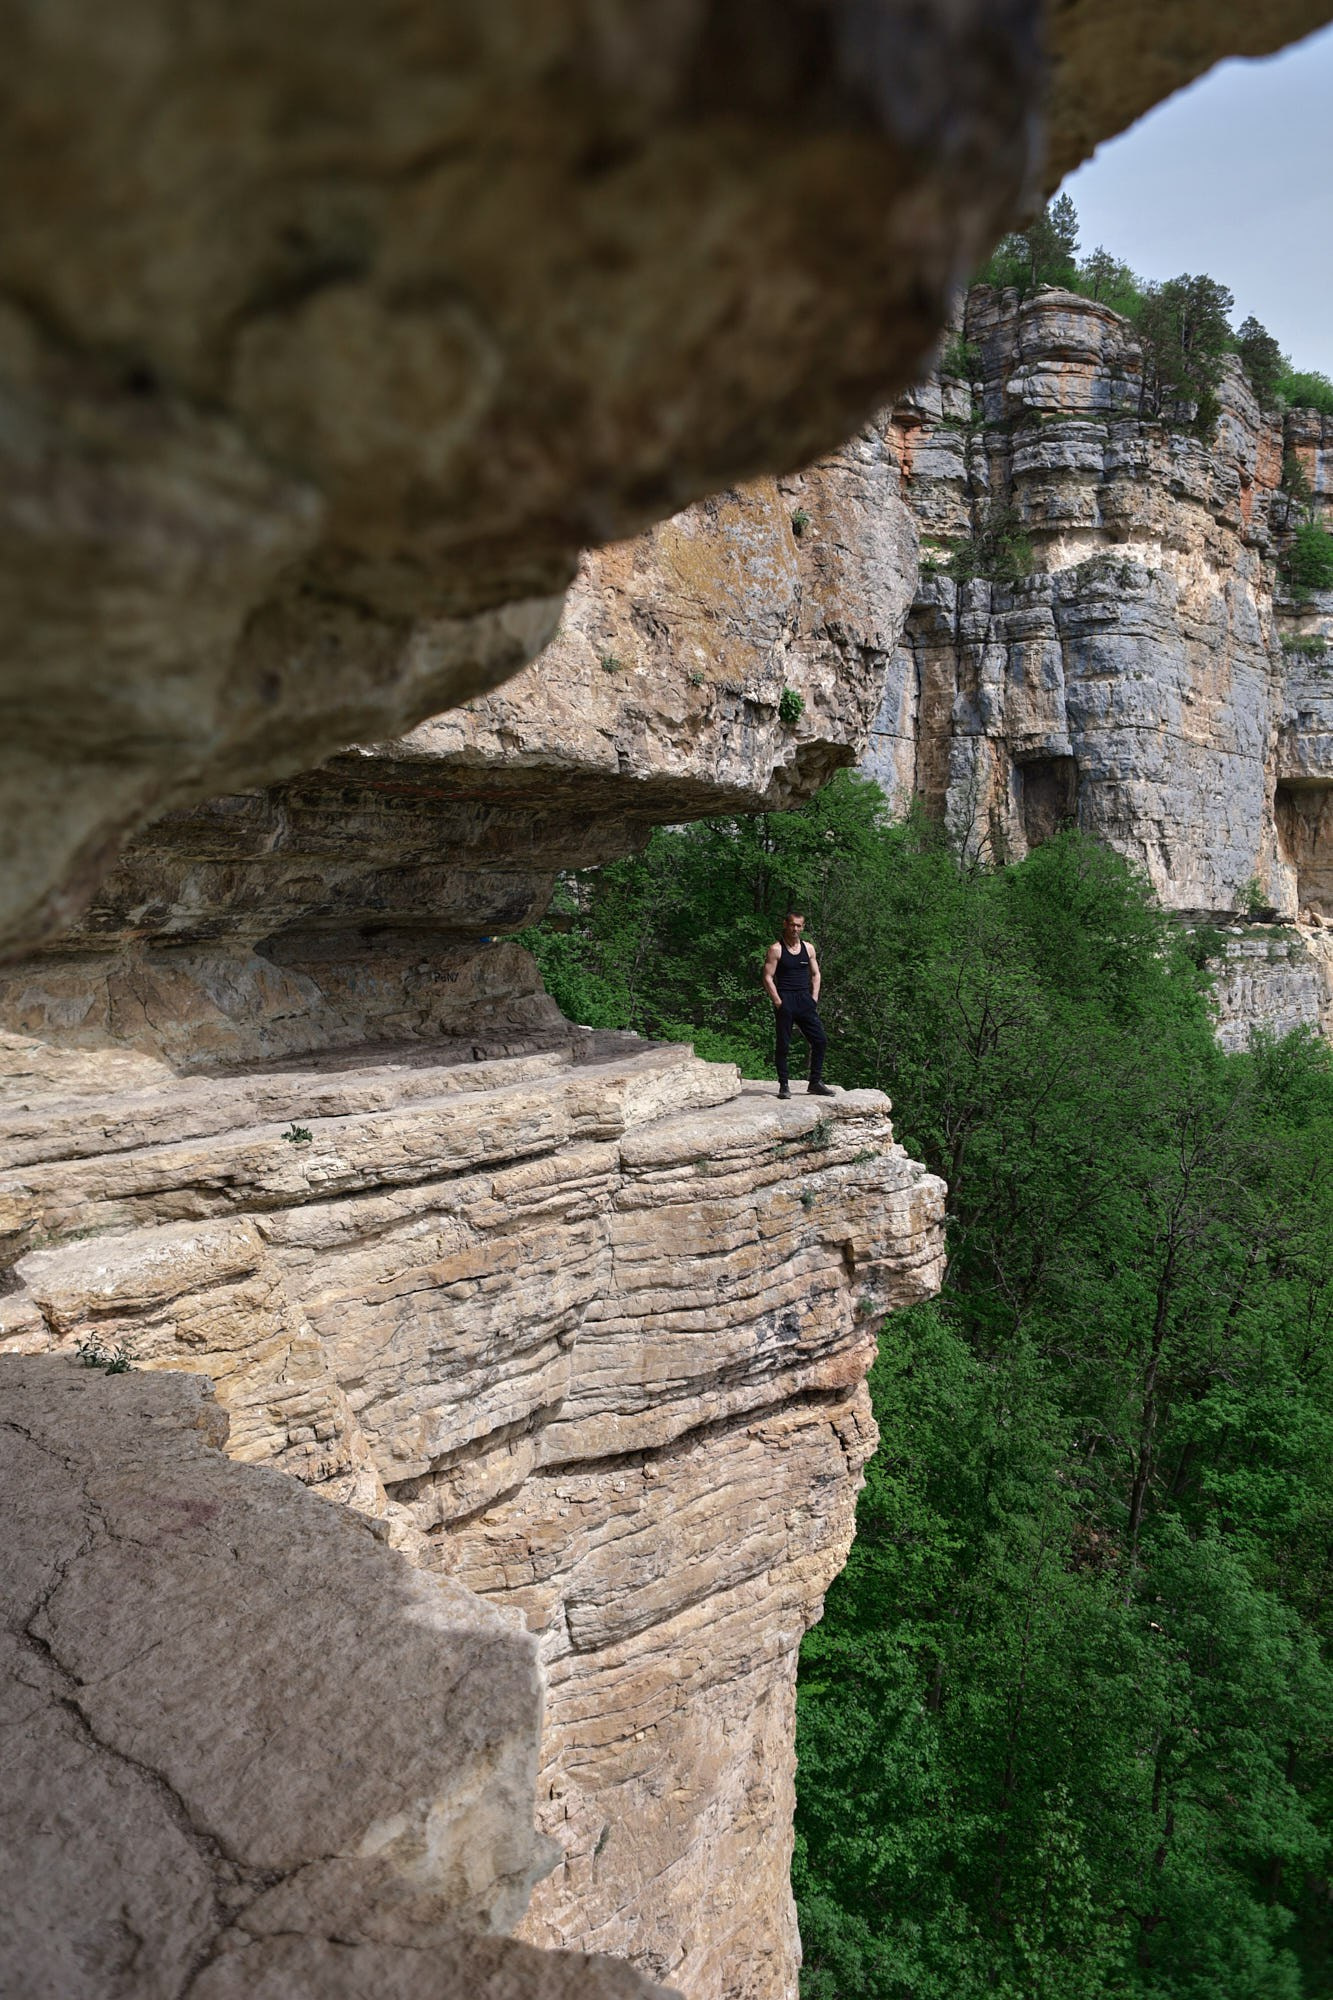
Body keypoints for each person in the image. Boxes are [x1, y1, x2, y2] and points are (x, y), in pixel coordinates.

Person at [762, 907, 833, 1099]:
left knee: (820, 1040)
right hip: (786, 999)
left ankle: (815, 1082)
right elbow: (768, 977)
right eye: (792, 924)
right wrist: (778, 1001)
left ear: (803, 927)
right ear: (786, 925)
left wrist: (814, 997)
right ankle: (784, 1085)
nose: (795, 929)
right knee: (784, 1044)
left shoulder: (808, 948)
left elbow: (816, 974)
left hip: (804, 999)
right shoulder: (776, 949)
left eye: (798, 926)